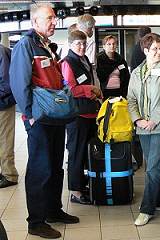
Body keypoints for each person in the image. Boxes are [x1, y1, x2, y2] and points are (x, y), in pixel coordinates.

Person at [9, 4, 79, 239]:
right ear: (35, 22)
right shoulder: (25, 46)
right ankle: (36, 222)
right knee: (40, 168)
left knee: (56, 166)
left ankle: (53, 210)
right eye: (49, 18)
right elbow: (19, 84)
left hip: (55, 117)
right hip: (39, 118)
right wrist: (29, 116)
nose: (54, 21)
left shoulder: (48, 46)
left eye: (54, 17)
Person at [127, 33, 160, 226]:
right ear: (145, 50)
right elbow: (131, 98)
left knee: (153, 168)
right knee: (154, 166)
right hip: (142, 127)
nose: (159, 52)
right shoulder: (137, 72)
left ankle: (146, 209)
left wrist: (154, 120)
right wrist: (137, 119)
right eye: (155, 49)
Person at [62, 30, 103, 205]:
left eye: (84, 43)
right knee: (76, 153)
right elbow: (69, 89)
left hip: (91, 113)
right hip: (77, 115)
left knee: (88, 153)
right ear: (71, 44)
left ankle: (84, 183)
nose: (82, 47)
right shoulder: (67, 62)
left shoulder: (84, 59)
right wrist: (89, 90)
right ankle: (76, 191)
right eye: (78, 43)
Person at [0, 37, 18, 188]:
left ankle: (9, 175)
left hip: (3, 104)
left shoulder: (2, 52)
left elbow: (7, 83)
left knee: (5, 139)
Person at [97, 35, 130, 100]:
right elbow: (99, 76)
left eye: (114, 44)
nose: (112, 46)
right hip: (105, 92)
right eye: (109, 44)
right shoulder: (99, 59)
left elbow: (126, 76)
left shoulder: (120, 59)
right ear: (104, 46)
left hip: (119, 92)